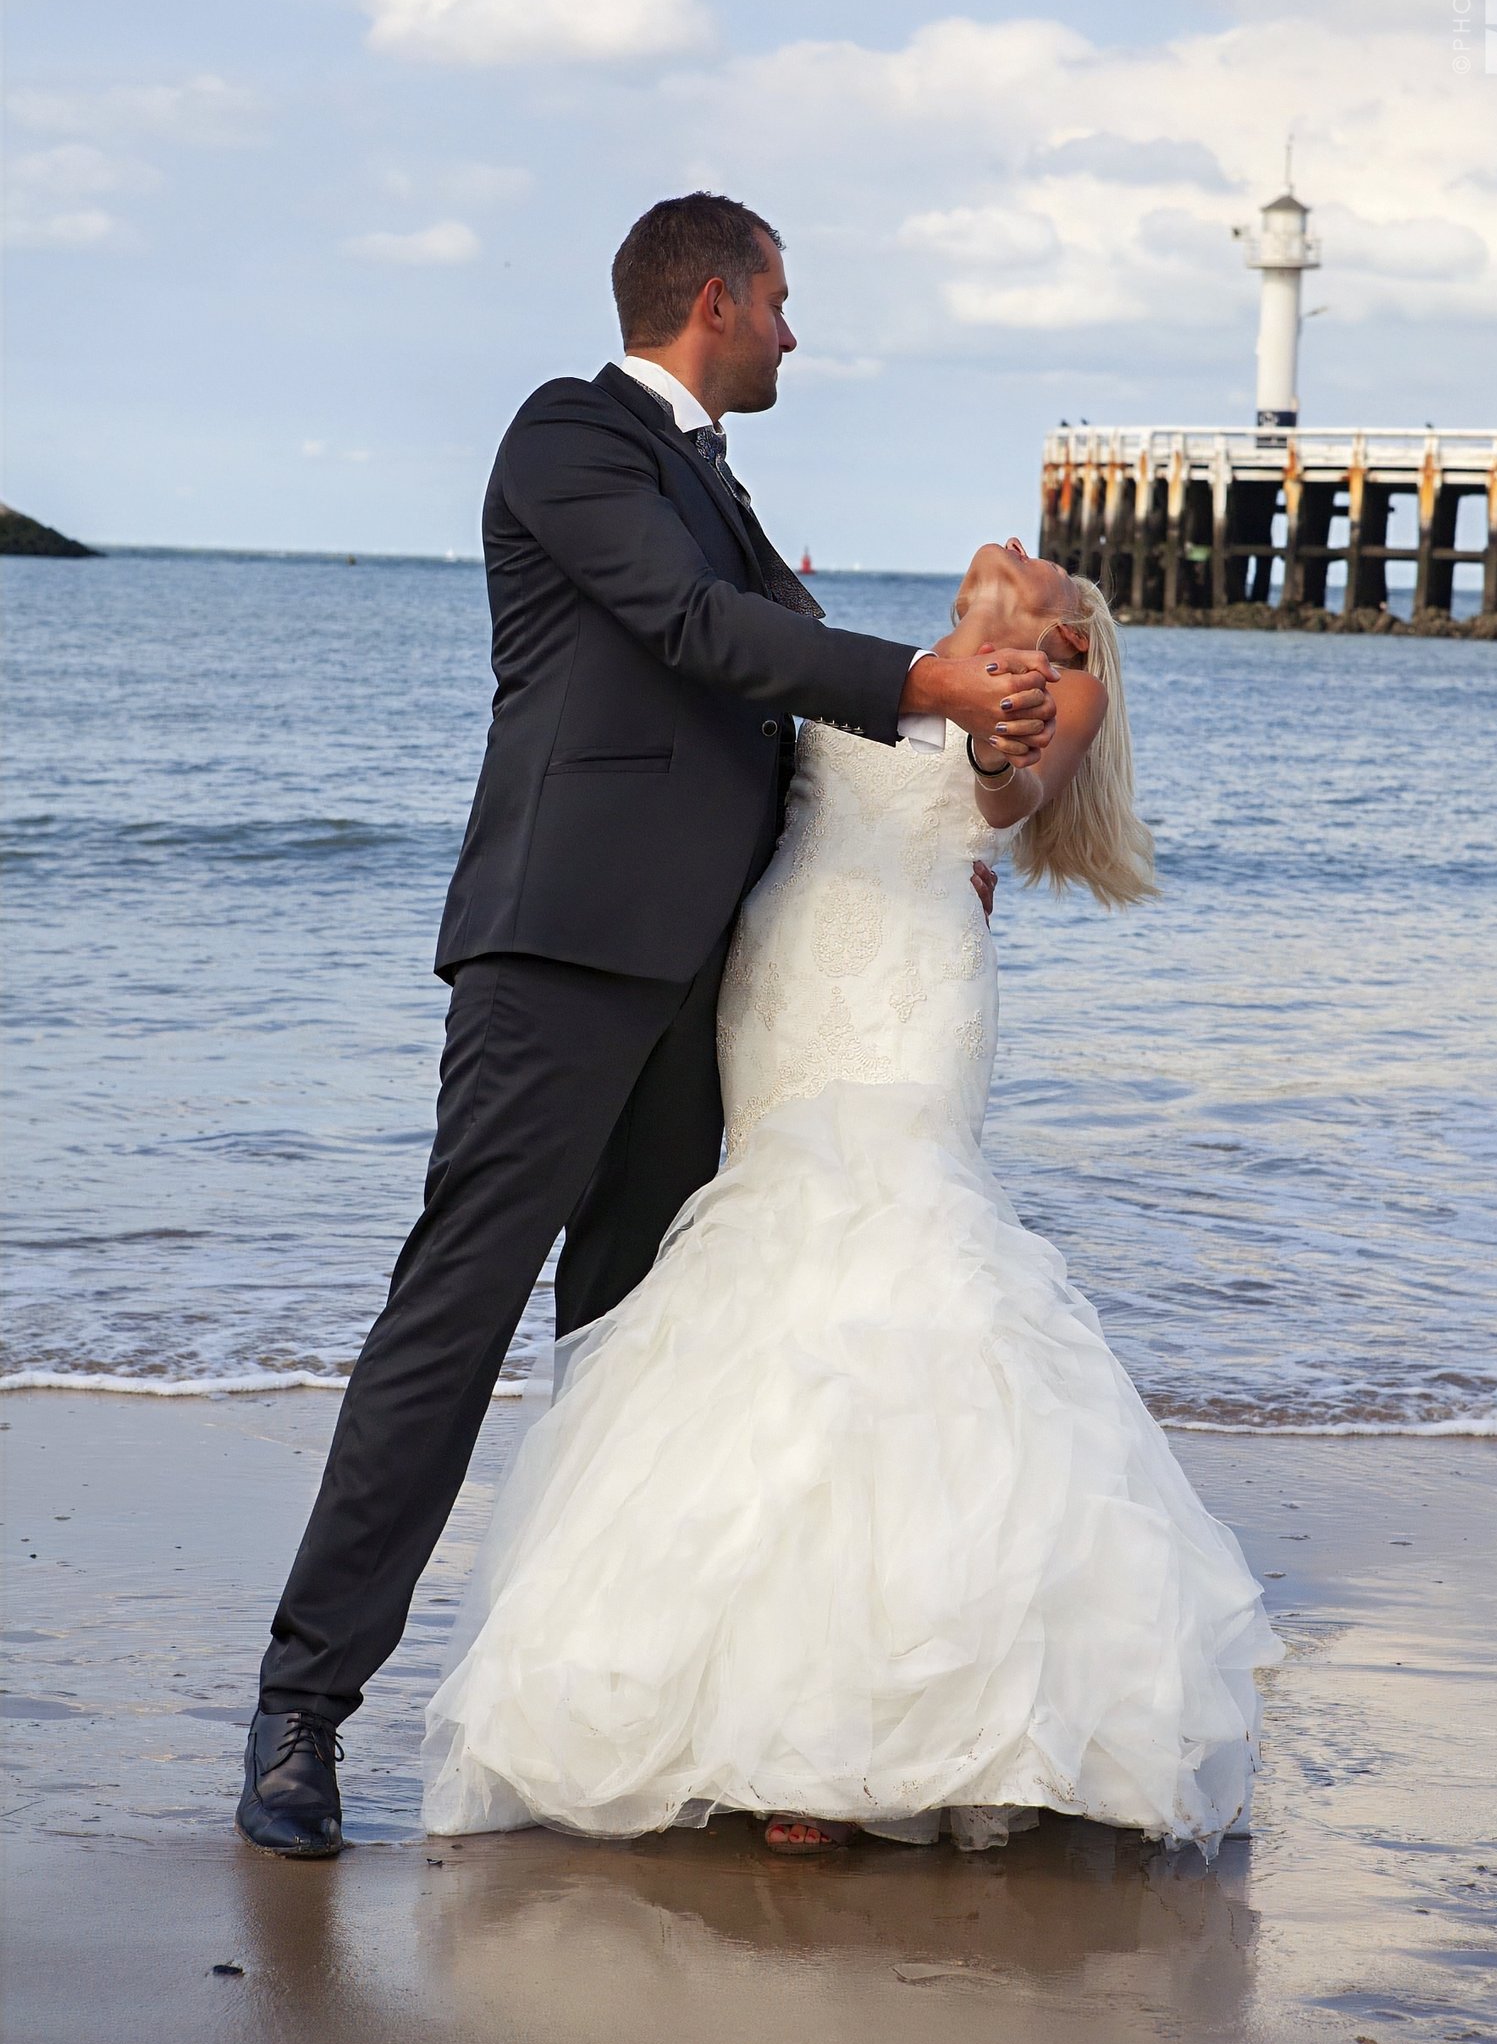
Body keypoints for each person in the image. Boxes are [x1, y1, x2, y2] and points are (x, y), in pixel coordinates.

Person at [238, 193, 1061, 1857]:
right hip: (561, 948)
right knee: (456, 1313)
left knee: (634, 1347)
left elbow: (782, 679)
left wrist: (932, 826)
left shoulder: (723, 492)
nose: (794, 332)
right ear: (715, 299)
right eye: (782, 298)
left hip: (707, 989)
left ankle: (596, 1708)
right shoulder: (572, 434)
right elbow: (699, 633)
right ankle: (300, 1712)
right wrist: (923, 681)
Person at [421, 543, 1283, 1858]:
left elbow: (1010, 797)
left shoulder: (1063, 684)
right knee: (768, 1268)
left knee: (904, 1262)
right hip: (782, 974)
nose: (1021, 545)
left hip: (913, 991)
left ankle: (895, 1718)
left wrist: (989, 752)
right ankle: (756, 1704)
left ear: (1064, 629)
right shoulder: (881, 664)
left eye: (1048, 563)